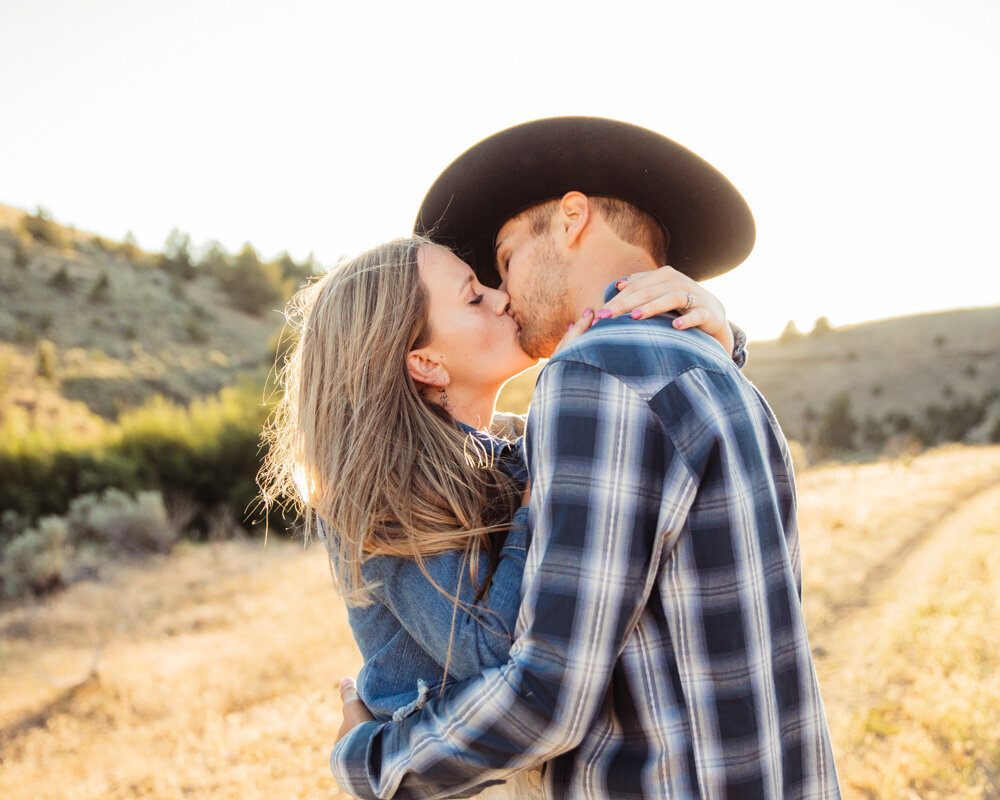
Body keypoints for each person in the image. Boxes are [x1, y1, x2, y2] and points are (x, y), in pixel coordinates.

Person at [331, 117, 840, 798]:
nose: (504, 294)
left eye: (504, 259)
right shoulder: (719, 368)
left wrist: (366, 759)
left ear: (572, 218)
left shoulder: (591, 375)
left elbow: (548, 695)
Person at [259, 225, 743, 795]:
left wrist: (715, 340)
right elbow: (489, 651)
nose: (502, 296)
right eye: (473, 296)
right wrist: (542, 491)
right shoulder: (380, 497)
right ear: (425, 362)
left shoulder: (507, 447)